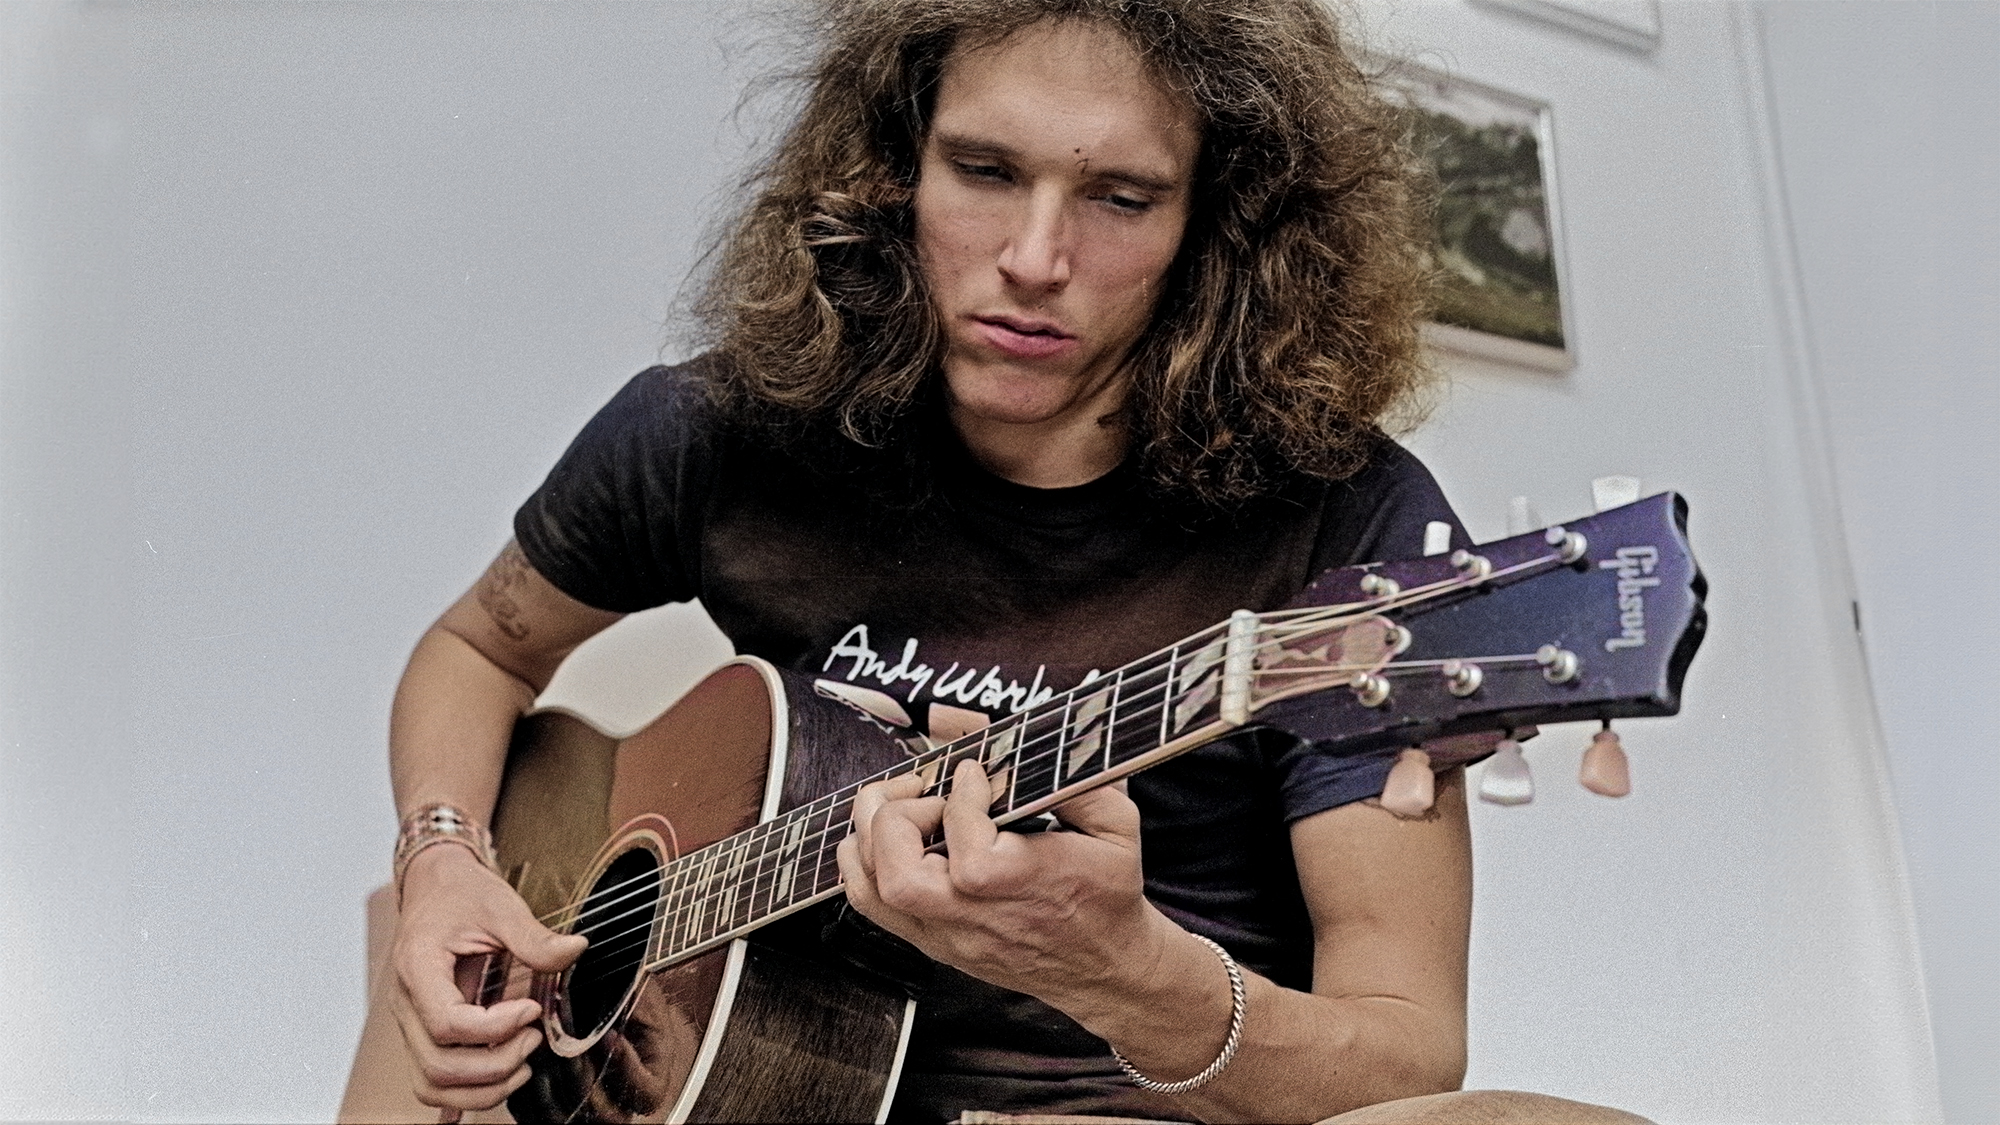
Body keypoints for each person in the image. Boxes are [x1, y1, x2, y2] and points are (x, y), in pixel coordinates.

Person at [387, 1, 1648, 1122]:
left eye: (1120, 197)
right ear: (891, 174)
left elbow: (1405, 1057)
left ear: (1214, 226)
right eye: (983, 171)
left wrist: (1120, 970)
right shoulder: (715, 434)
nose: (1037, 261)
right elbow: (475, 649)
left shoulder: (1350, 532)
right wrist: (441, 857)